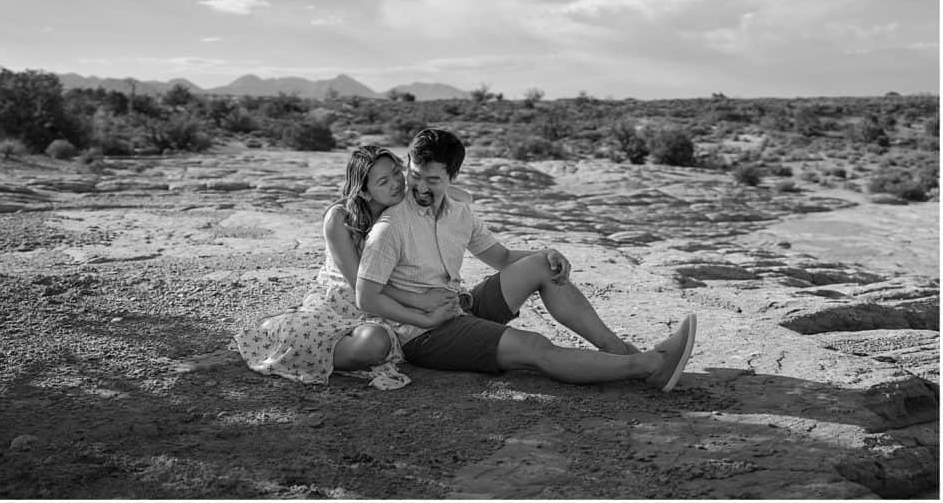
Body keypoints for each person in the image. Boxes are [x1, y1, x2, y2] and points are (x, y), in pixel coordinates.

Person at [356, 128, 697, 391]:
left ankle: (620, 352)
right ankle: (648, 366)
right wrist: (427, 319)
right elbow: (366, 297)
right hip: (425, 334)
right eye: (415, 175)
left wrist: (546, 253)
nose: (421, 187)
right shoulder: (391, 226)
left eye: (434, 180)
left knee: (542, 265)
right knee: (534, 347)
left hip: (459, 307)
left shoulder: (458, 214)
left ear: (452, 178)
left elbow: (502, 257)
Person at [178, 145, 465, 388]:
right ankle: (292, 338)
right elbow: (360, 286)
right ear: (363, 192)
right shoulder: (339, 218)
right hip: (342, 303)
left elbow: (451, 204)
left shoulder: (405, 207)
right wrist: (419, 301)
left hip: (390, 303)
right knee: (373, 344)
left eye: (396, 174)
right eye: (383, 181)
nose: (396, 184)